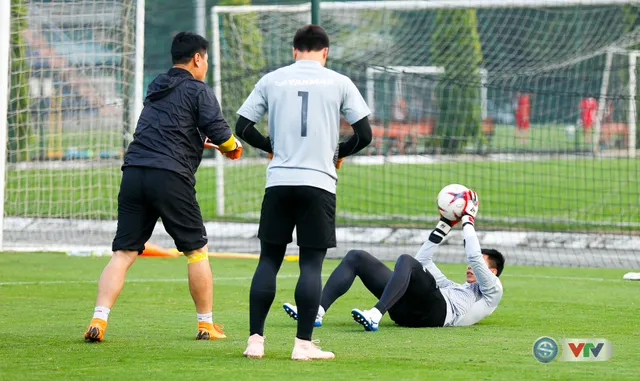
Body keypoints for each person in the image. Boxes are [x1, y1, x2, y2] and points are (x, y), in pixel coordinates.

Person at [83, 32, 242, 343]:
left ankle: (98, 319)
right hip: (169, 176)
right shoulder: (199, 90)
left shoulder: (156, 86)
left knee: (124, 252)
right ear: (198, 59)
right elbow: (221, 133)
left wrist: (197, 141)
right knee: (196, 252)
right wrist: (232, 146)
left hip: (134, 171)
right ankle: (206, 324)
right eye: (206, 59)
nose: (206, 65)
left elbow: (169, 125)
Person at [234, 24, 373, 360]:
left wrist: (271, 146)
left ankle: (255, 341)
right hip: (319, 183)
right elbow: (365, 134)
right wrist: (338, 152)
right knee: (311, 265)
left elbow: (241, 127)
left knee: (269, 259)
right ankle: (302, 345)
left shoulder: (273, 79)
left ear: (294, 51)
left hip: (279, 181)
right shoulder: (339, 82)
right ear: (325, 52)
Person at [283, 190, 505, 331]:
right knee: (356, 257)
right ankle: (316, 312)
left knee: (406, 260)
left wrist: (468, 219)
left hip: (436, 314)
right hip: (408, 311)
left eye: (483, 264)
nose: (470, 266)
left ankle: (375, 314)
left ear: (493, 271)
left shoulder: (492, 291)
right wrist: (444, 225)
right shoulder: (456, 288)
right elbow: (423, 261)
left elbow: (474, 257)